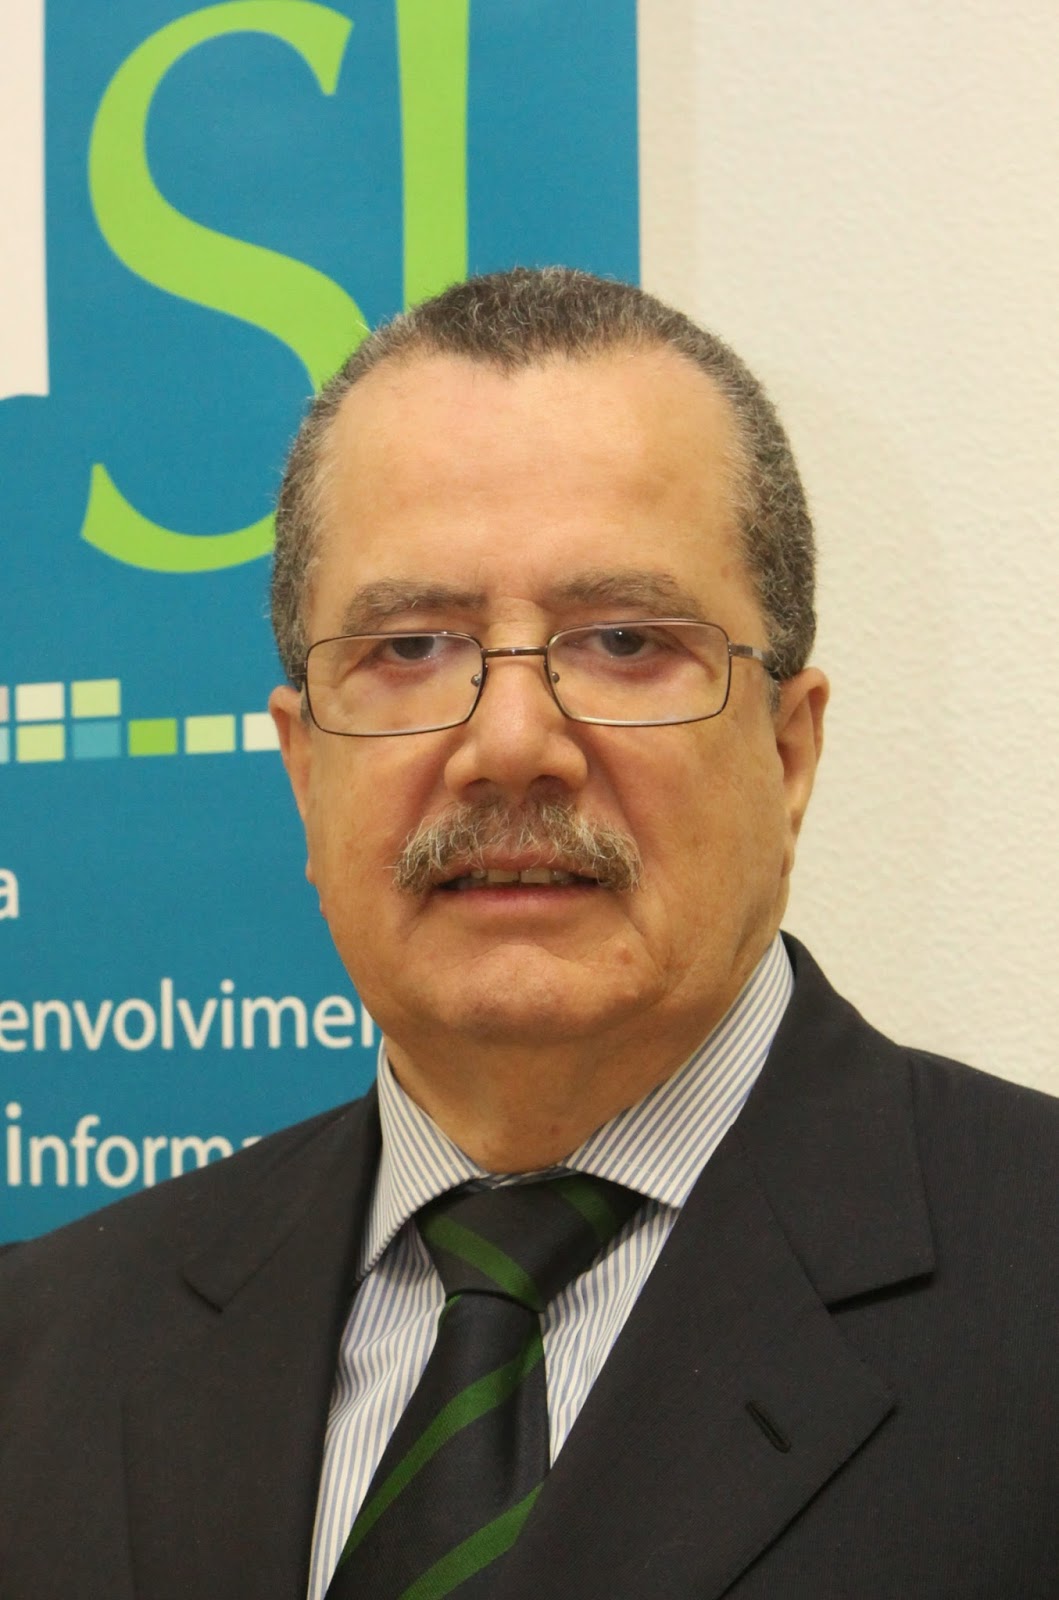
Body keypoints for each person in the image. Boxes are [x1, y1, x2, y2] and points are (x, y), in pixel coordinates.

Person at [1, 267, 1057, 1599]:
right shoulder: (45, 1351)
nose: (510, 743)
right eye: (410, 649)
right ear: (304, 772)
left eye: (623, 640)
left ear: (788, 755)